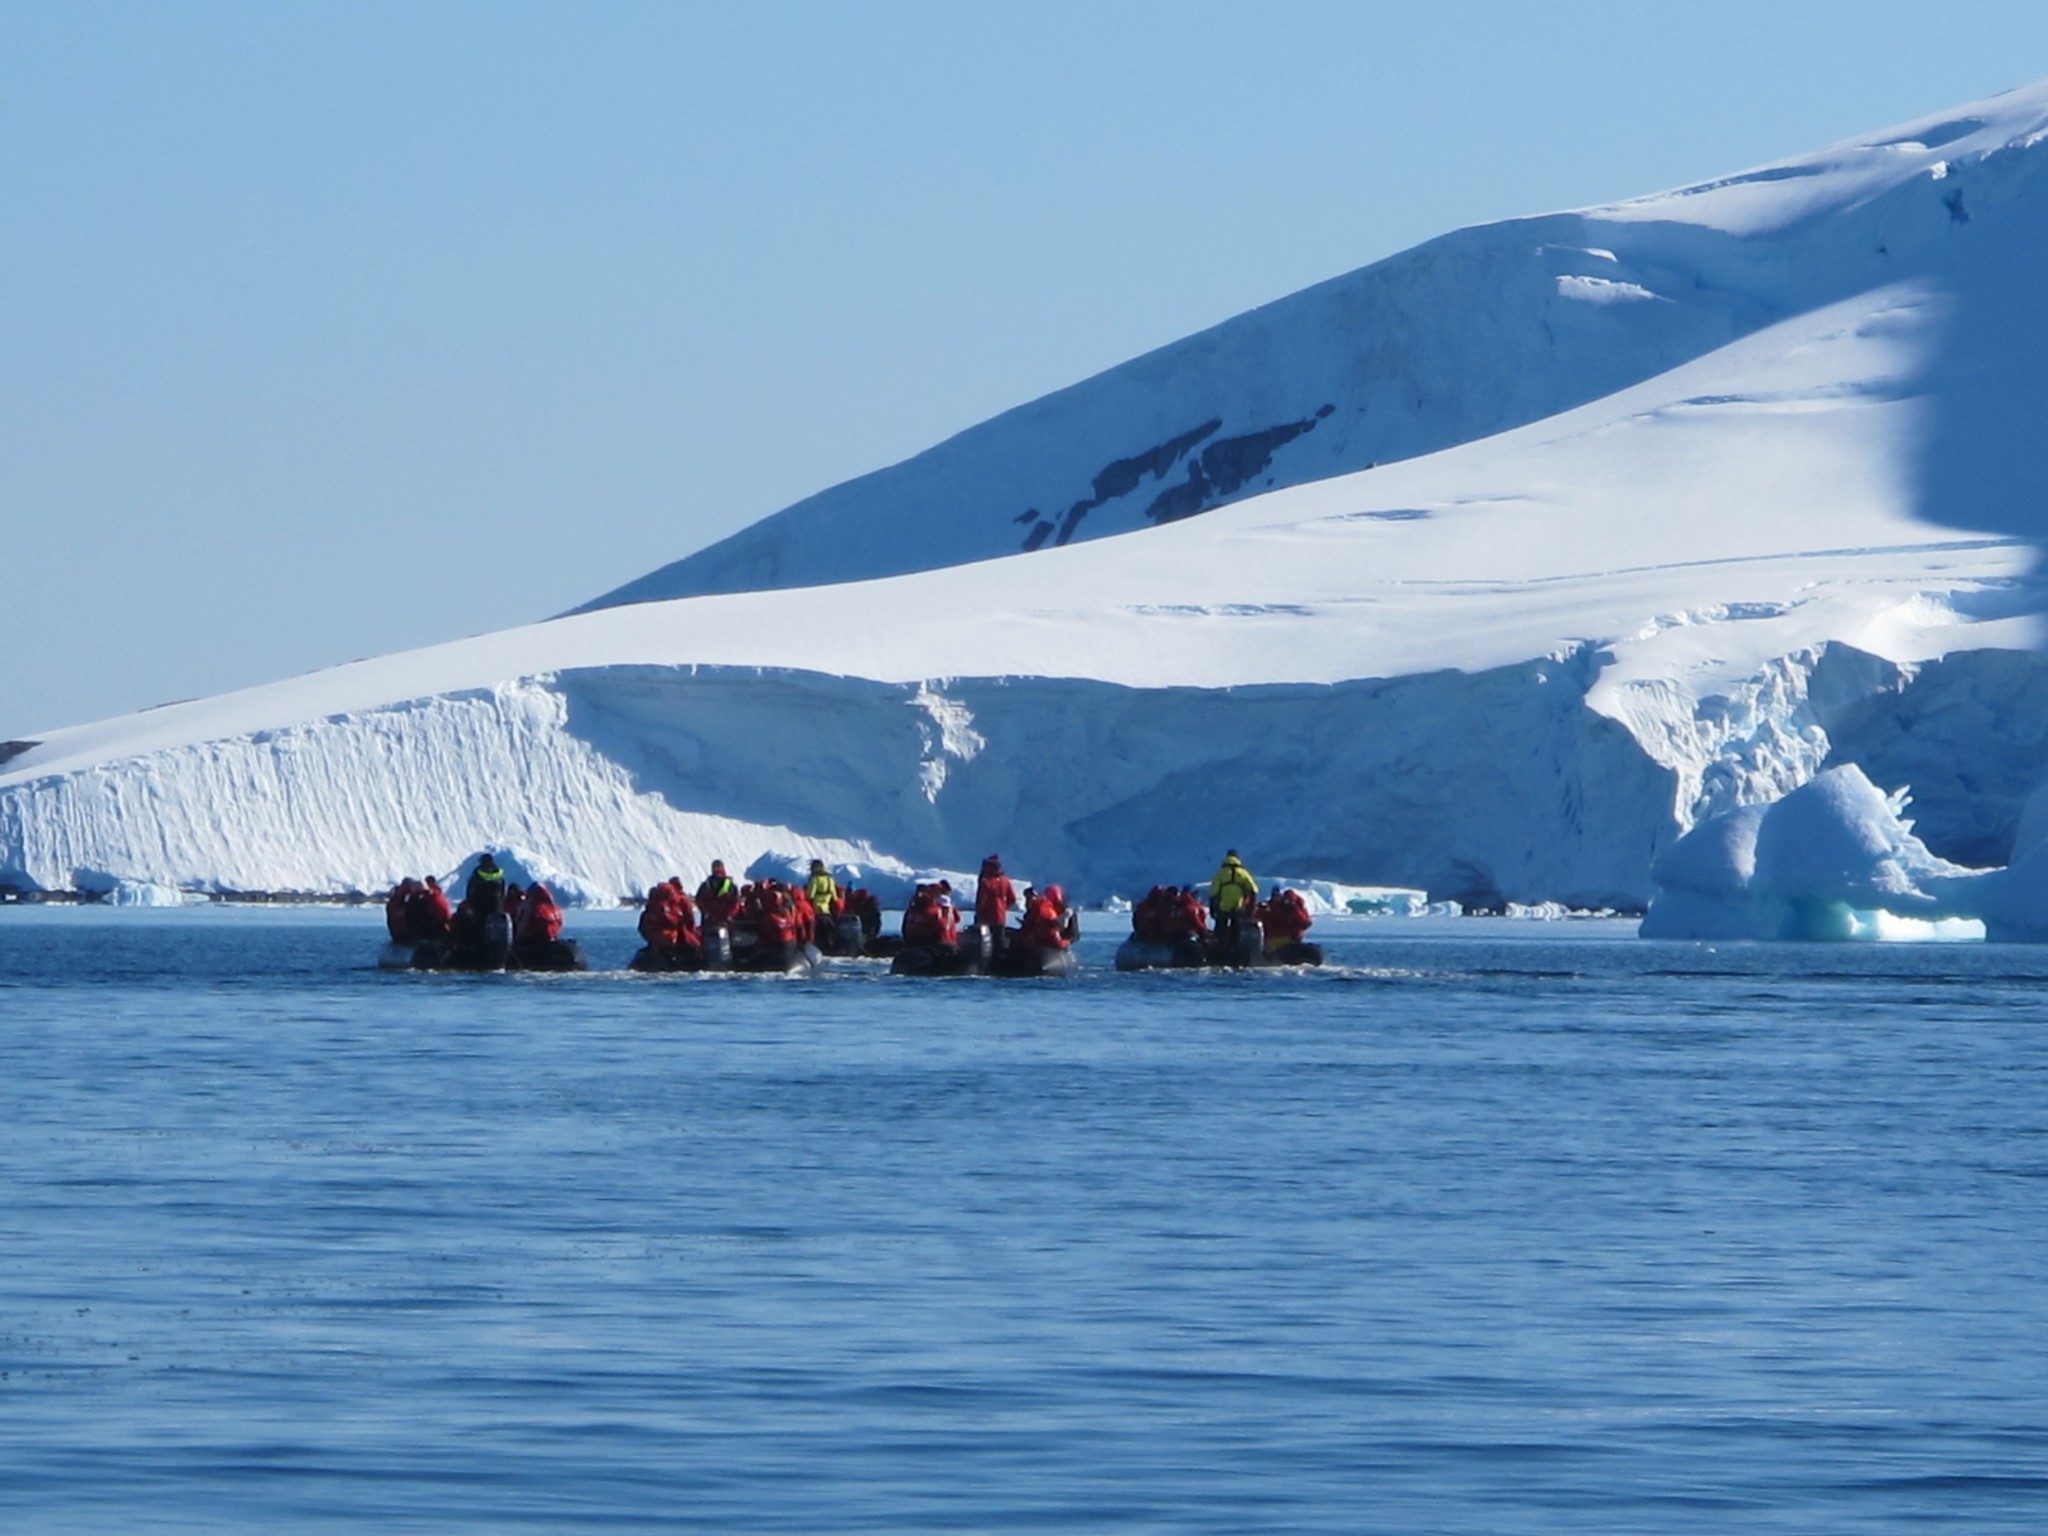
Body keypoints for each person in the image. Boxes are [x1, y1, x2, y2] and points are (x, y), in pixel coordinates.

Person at [1015, 884, 1072, 952]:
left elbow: (1034, 927)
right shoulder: (1046, 907)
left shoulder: (1039, 908)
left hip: (1047, 942)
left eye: (1029, 898)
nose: (1026, 901)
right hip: (1051, 940)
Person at [1258, 885, 1313, 954]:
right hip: (1272, 941)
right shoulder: (1269, 907)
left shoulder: (1293, 906)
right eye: (1275, 896)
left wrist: (1293, 907)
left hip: (1290, 940)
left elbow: (1306, 923)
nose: (1277, 898)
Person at [974, 855, 1017, 937]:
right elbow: (1012, 898)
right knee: (999, 941)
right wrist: (1003, 907)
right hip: (1001, 917)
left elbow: (981, 902)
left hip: (986, 919)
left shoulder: (986, 882)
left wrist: (980, 915)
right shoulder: (1005, 881)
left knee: (985, 943)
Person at [516, 881, 564, 948]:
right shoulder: (556, 909)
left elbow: (523, 926)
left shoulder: (532, 908)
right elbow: (560, 924)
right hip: (551, 942)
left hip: (534, 943)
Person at [696, 860, 740, 928]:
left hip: (726, 921)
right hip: (710, 920)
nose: (717, 869)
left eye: (719, 867)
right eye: (715, 867)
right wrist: (708, 913)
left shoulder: (730, 885)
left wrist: (728, 915)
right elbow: (699, 900)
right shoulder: (707, 885)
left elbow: (735, 902)